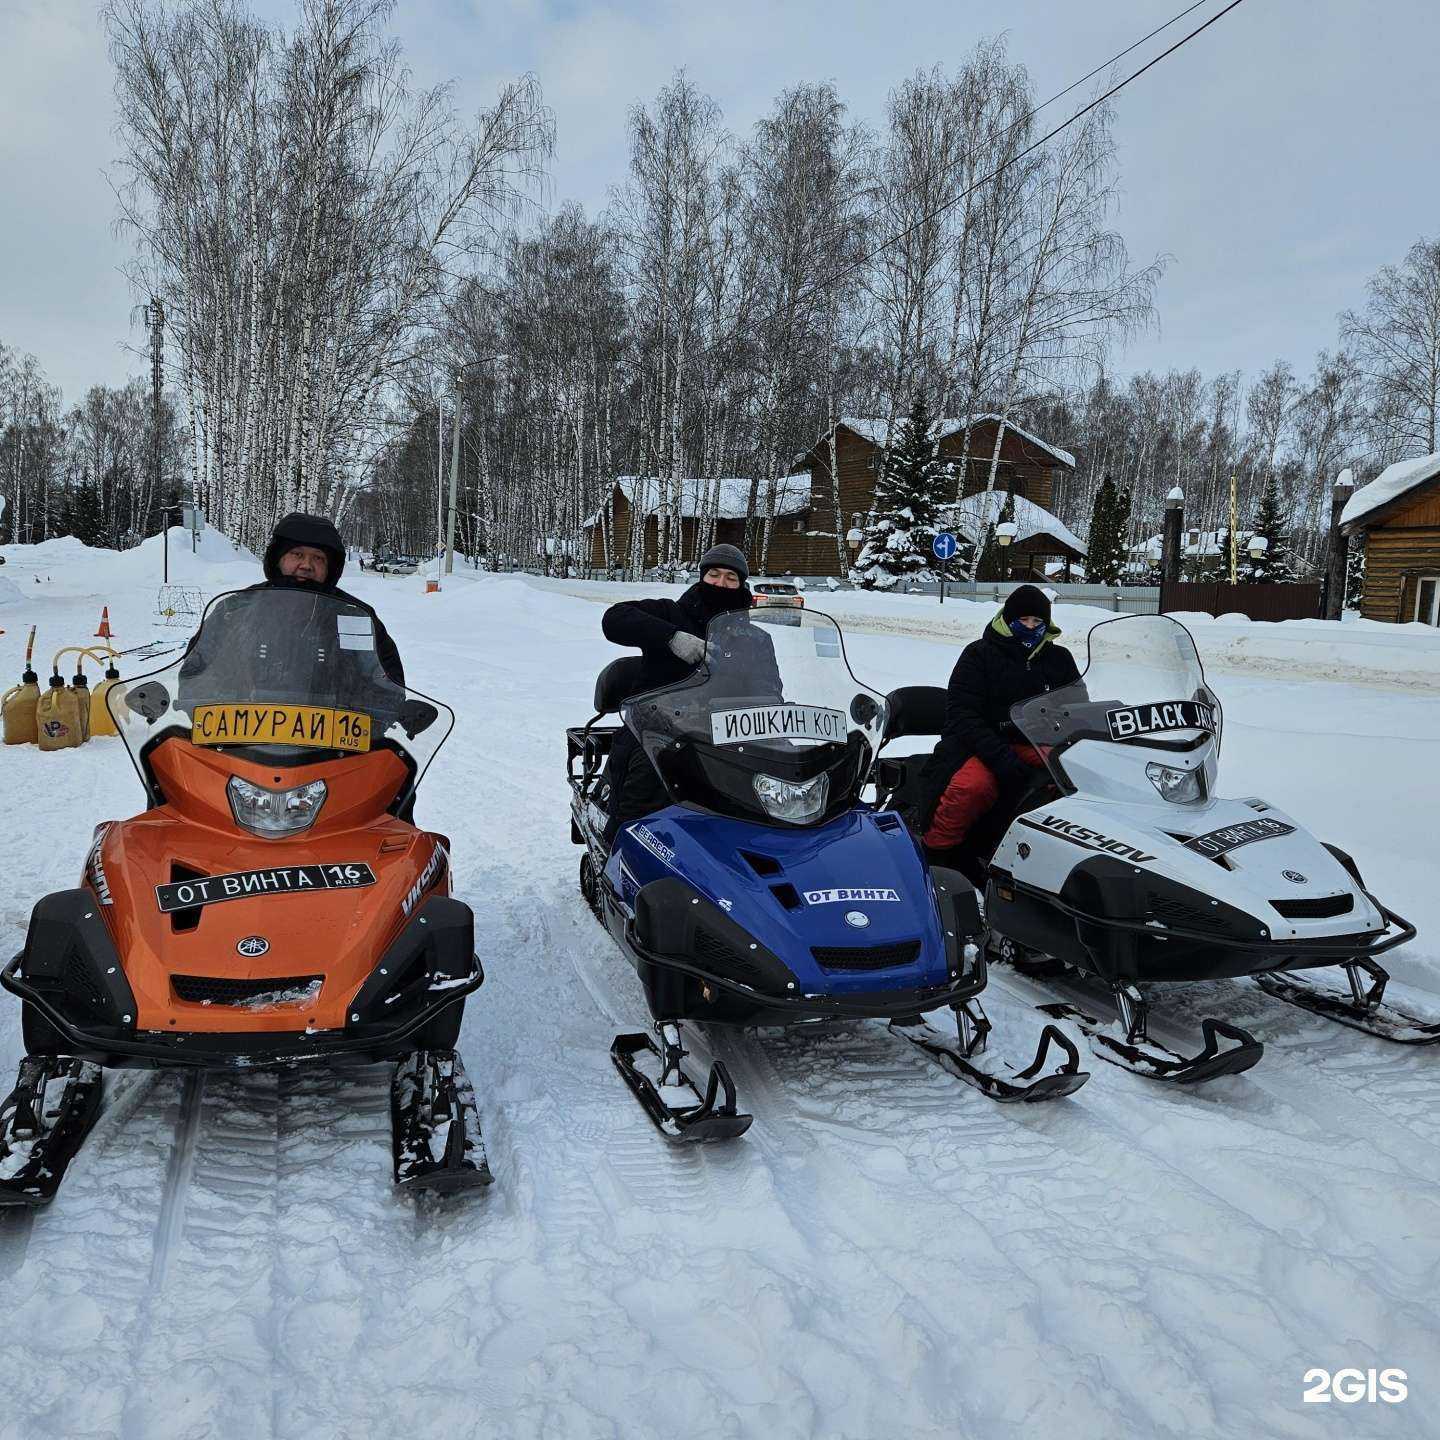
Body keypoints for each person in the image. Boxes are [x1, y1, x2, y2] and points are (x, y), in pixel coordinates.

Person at [597, 543, 776, 846]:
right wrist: (671, 637)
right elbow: (614, 619)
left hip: (731, 735)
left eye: (731, 577)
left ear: (741, 584)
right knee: (639, 797)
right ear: (702, 577)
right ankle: (619, 850)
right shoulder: (670, 613)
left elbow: (770, 689)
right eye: (714, 574)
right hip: (659, 731)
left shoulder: (756, 638)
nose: (721, 583)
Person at [914, 584, 1081, 872]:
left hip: (1036, 741)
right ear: (1008, 620)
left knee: (1076, 779)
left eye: (1037, 621)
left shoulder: (1059, 658)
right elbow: (962, 713)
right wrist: (1000, 756)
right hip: (982, 742)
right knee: (972, 788)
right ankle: (937, 852)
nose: (1031, 627)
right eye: (1023, 620)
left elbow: (1077, 705)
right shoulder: (979, 654)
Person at [178, 512, 407, 717]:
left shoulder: (355, 617)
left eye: (318, 558)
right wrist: (214, 705)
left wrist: (368, 714)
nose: (306, 565)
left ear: (330, 567)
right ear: (278, 559)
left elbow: (384, 682)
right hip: (239, 739)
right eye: (297, 554)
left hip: (334, 743)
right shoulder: (235, 610)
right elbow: (197, 672)